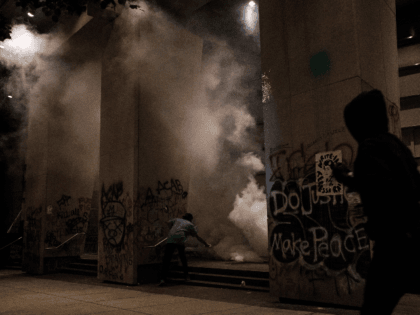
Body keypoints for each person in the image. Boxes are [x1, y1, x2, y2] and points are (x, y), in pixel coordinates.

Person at [332, 89, 420, 314]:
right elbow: (393, 184)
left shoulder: (370, 146)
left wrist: (346, 179)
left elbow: (380, 188)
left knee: (373, 308)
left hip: (393, 245)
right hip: (411, 240)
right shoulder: (396, 146)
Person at [159, 213, 211, 286]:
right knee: (183, 258)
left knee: (166, 259)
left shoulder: (176, 219)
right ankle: (186, 276)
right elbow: (197, 237)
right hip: (180, 239)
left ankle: (162, 279)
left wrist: (172, 229)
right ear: (190, 219)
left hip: (170, 239)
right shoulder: (190, 224)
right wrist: (206, 244)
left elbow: (168, 222)